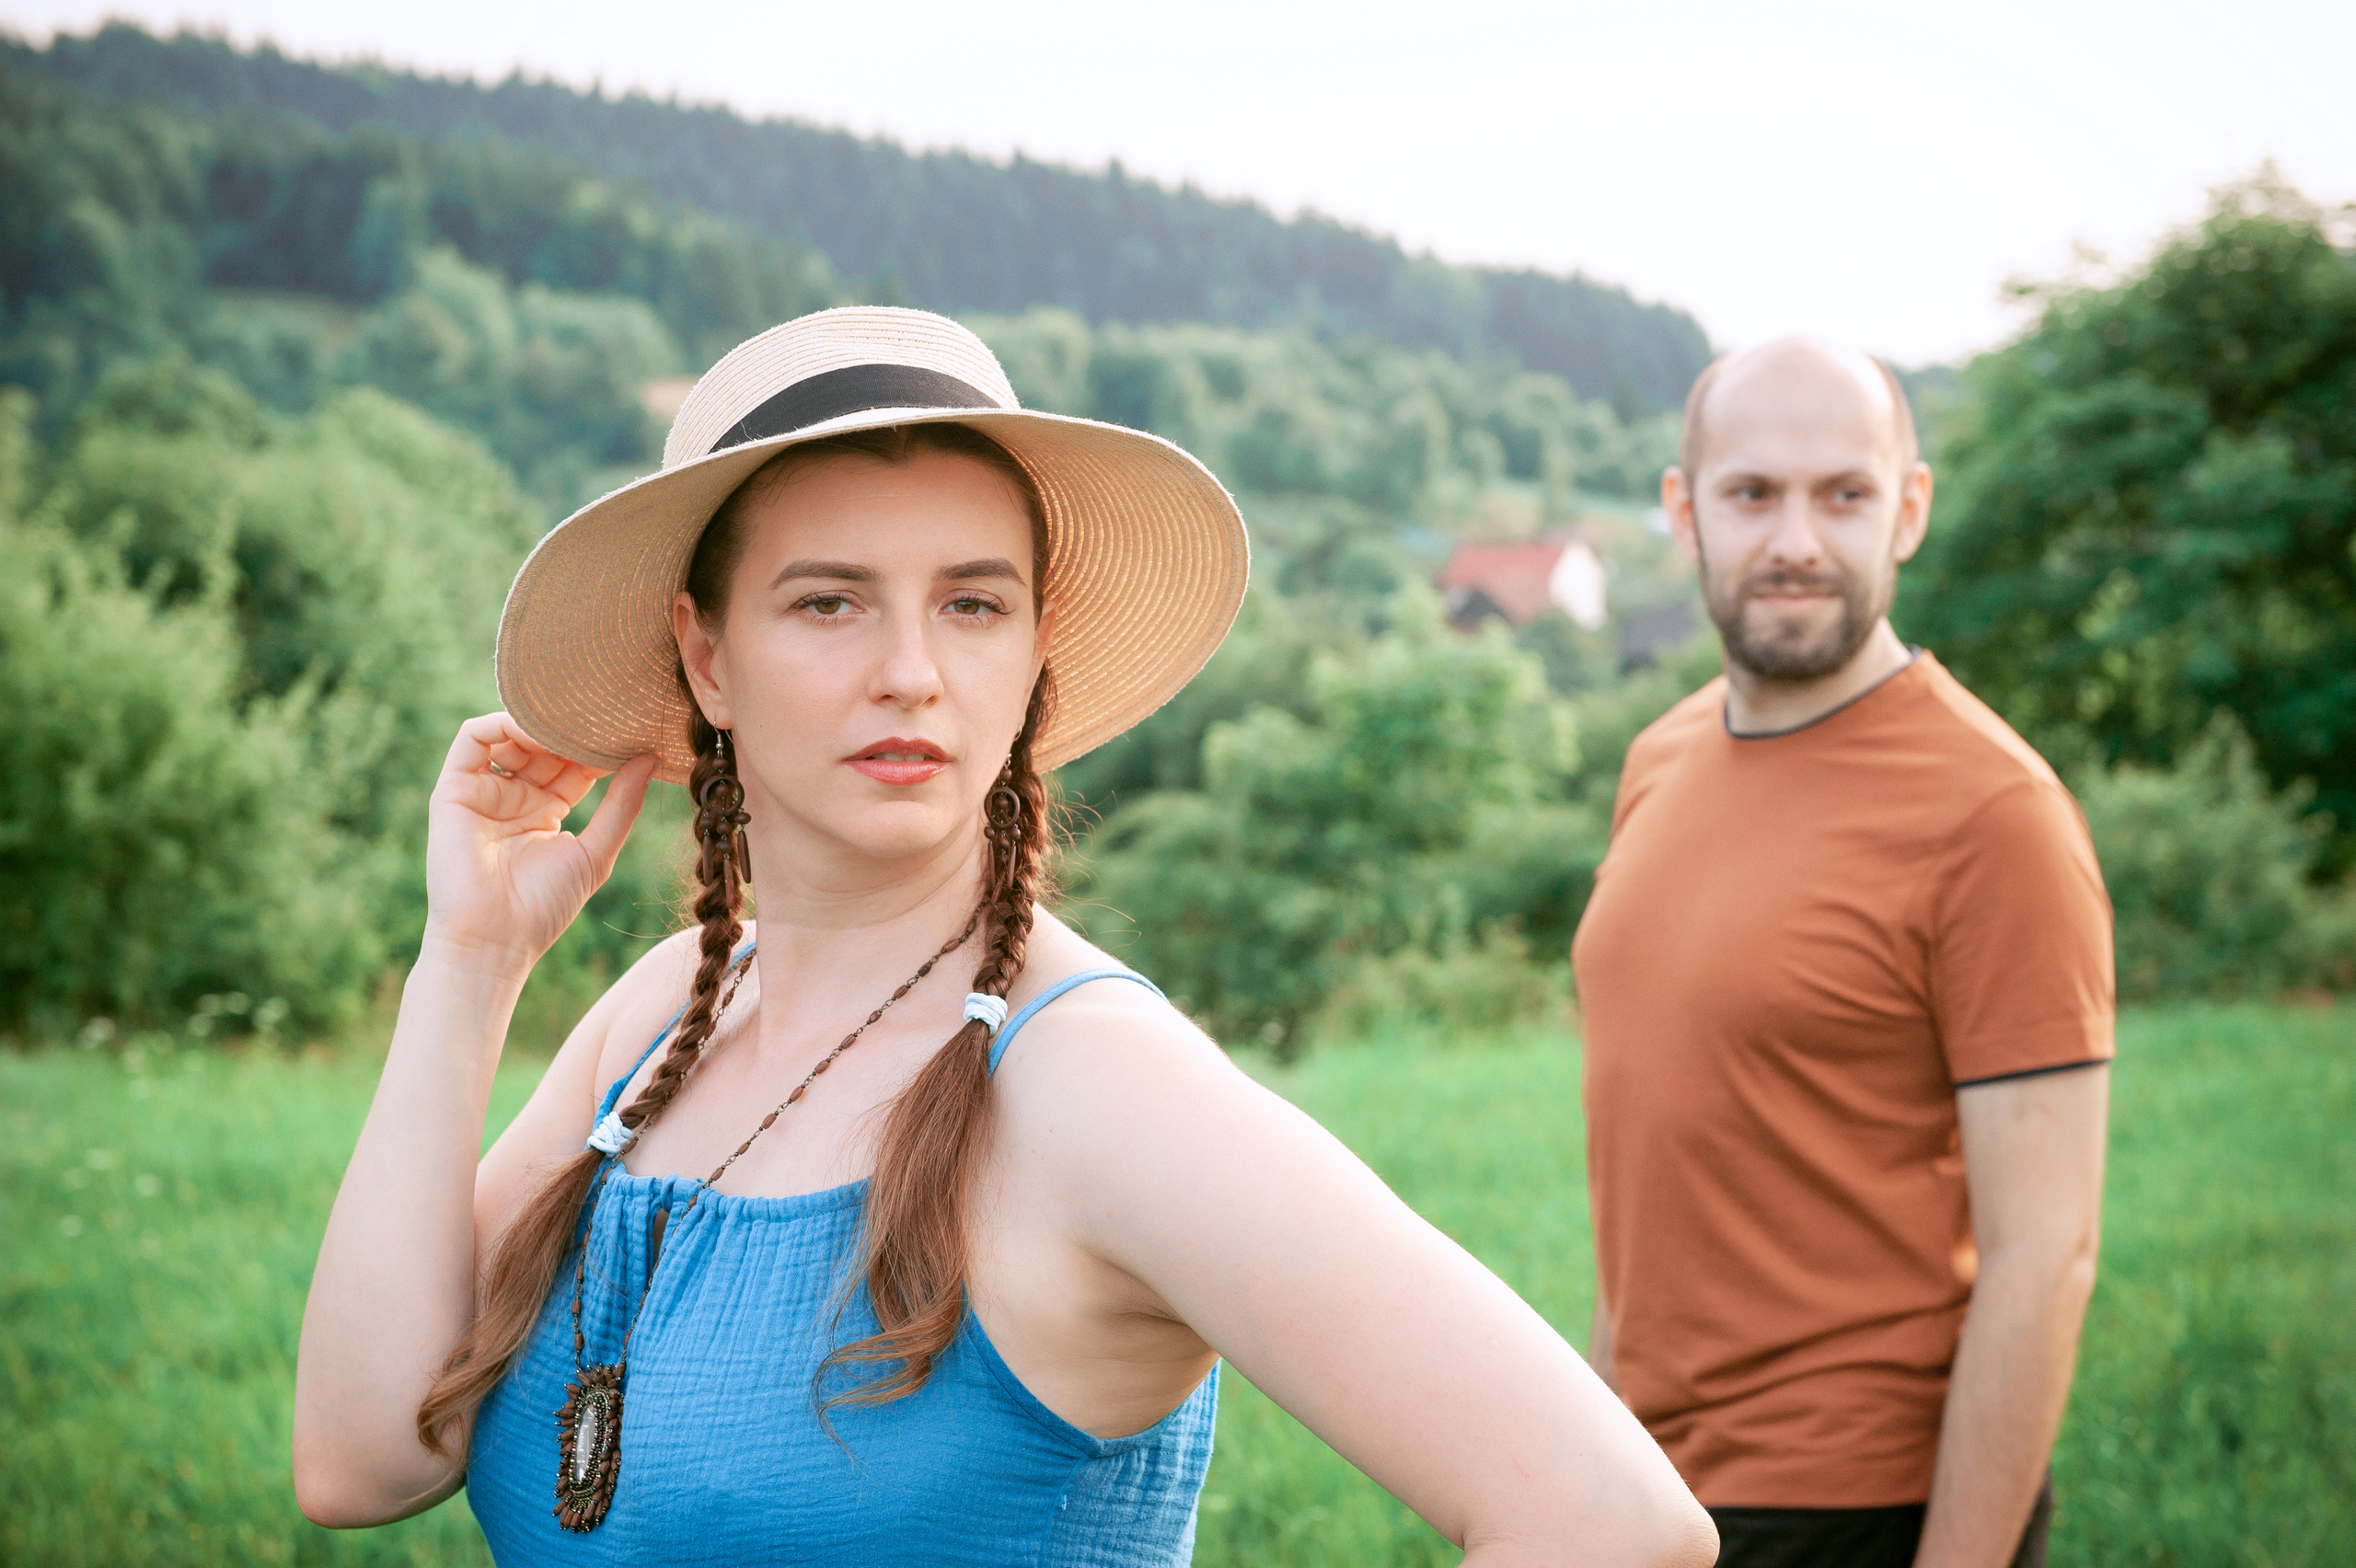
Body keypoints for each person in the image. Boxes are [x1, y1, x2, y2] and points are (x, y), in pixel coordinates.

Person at [293, 307, 1715, 1566]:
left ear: (1032, 652)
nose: (911, 672)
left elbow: (1609, 1519)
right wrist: (468, 967)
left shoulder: (1094, 1082)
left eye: (973, 604)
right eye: (829, 600)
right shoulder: (661, 1016)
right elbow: (362, 1461)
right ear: (708, 655)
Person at [1572, 339, 2113, 1568]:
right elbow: (1653, 1162)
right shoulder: (1657, 763)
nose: (1797, 542)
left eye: (1845, 494)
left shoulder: (1996, 815)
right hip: (1651, 1486)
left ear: (1908, 510)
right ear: (1683, 510)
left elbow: (2046, 1257)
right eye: (1754, 493)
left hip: (1862, 1510)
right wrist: (1598, 1456)